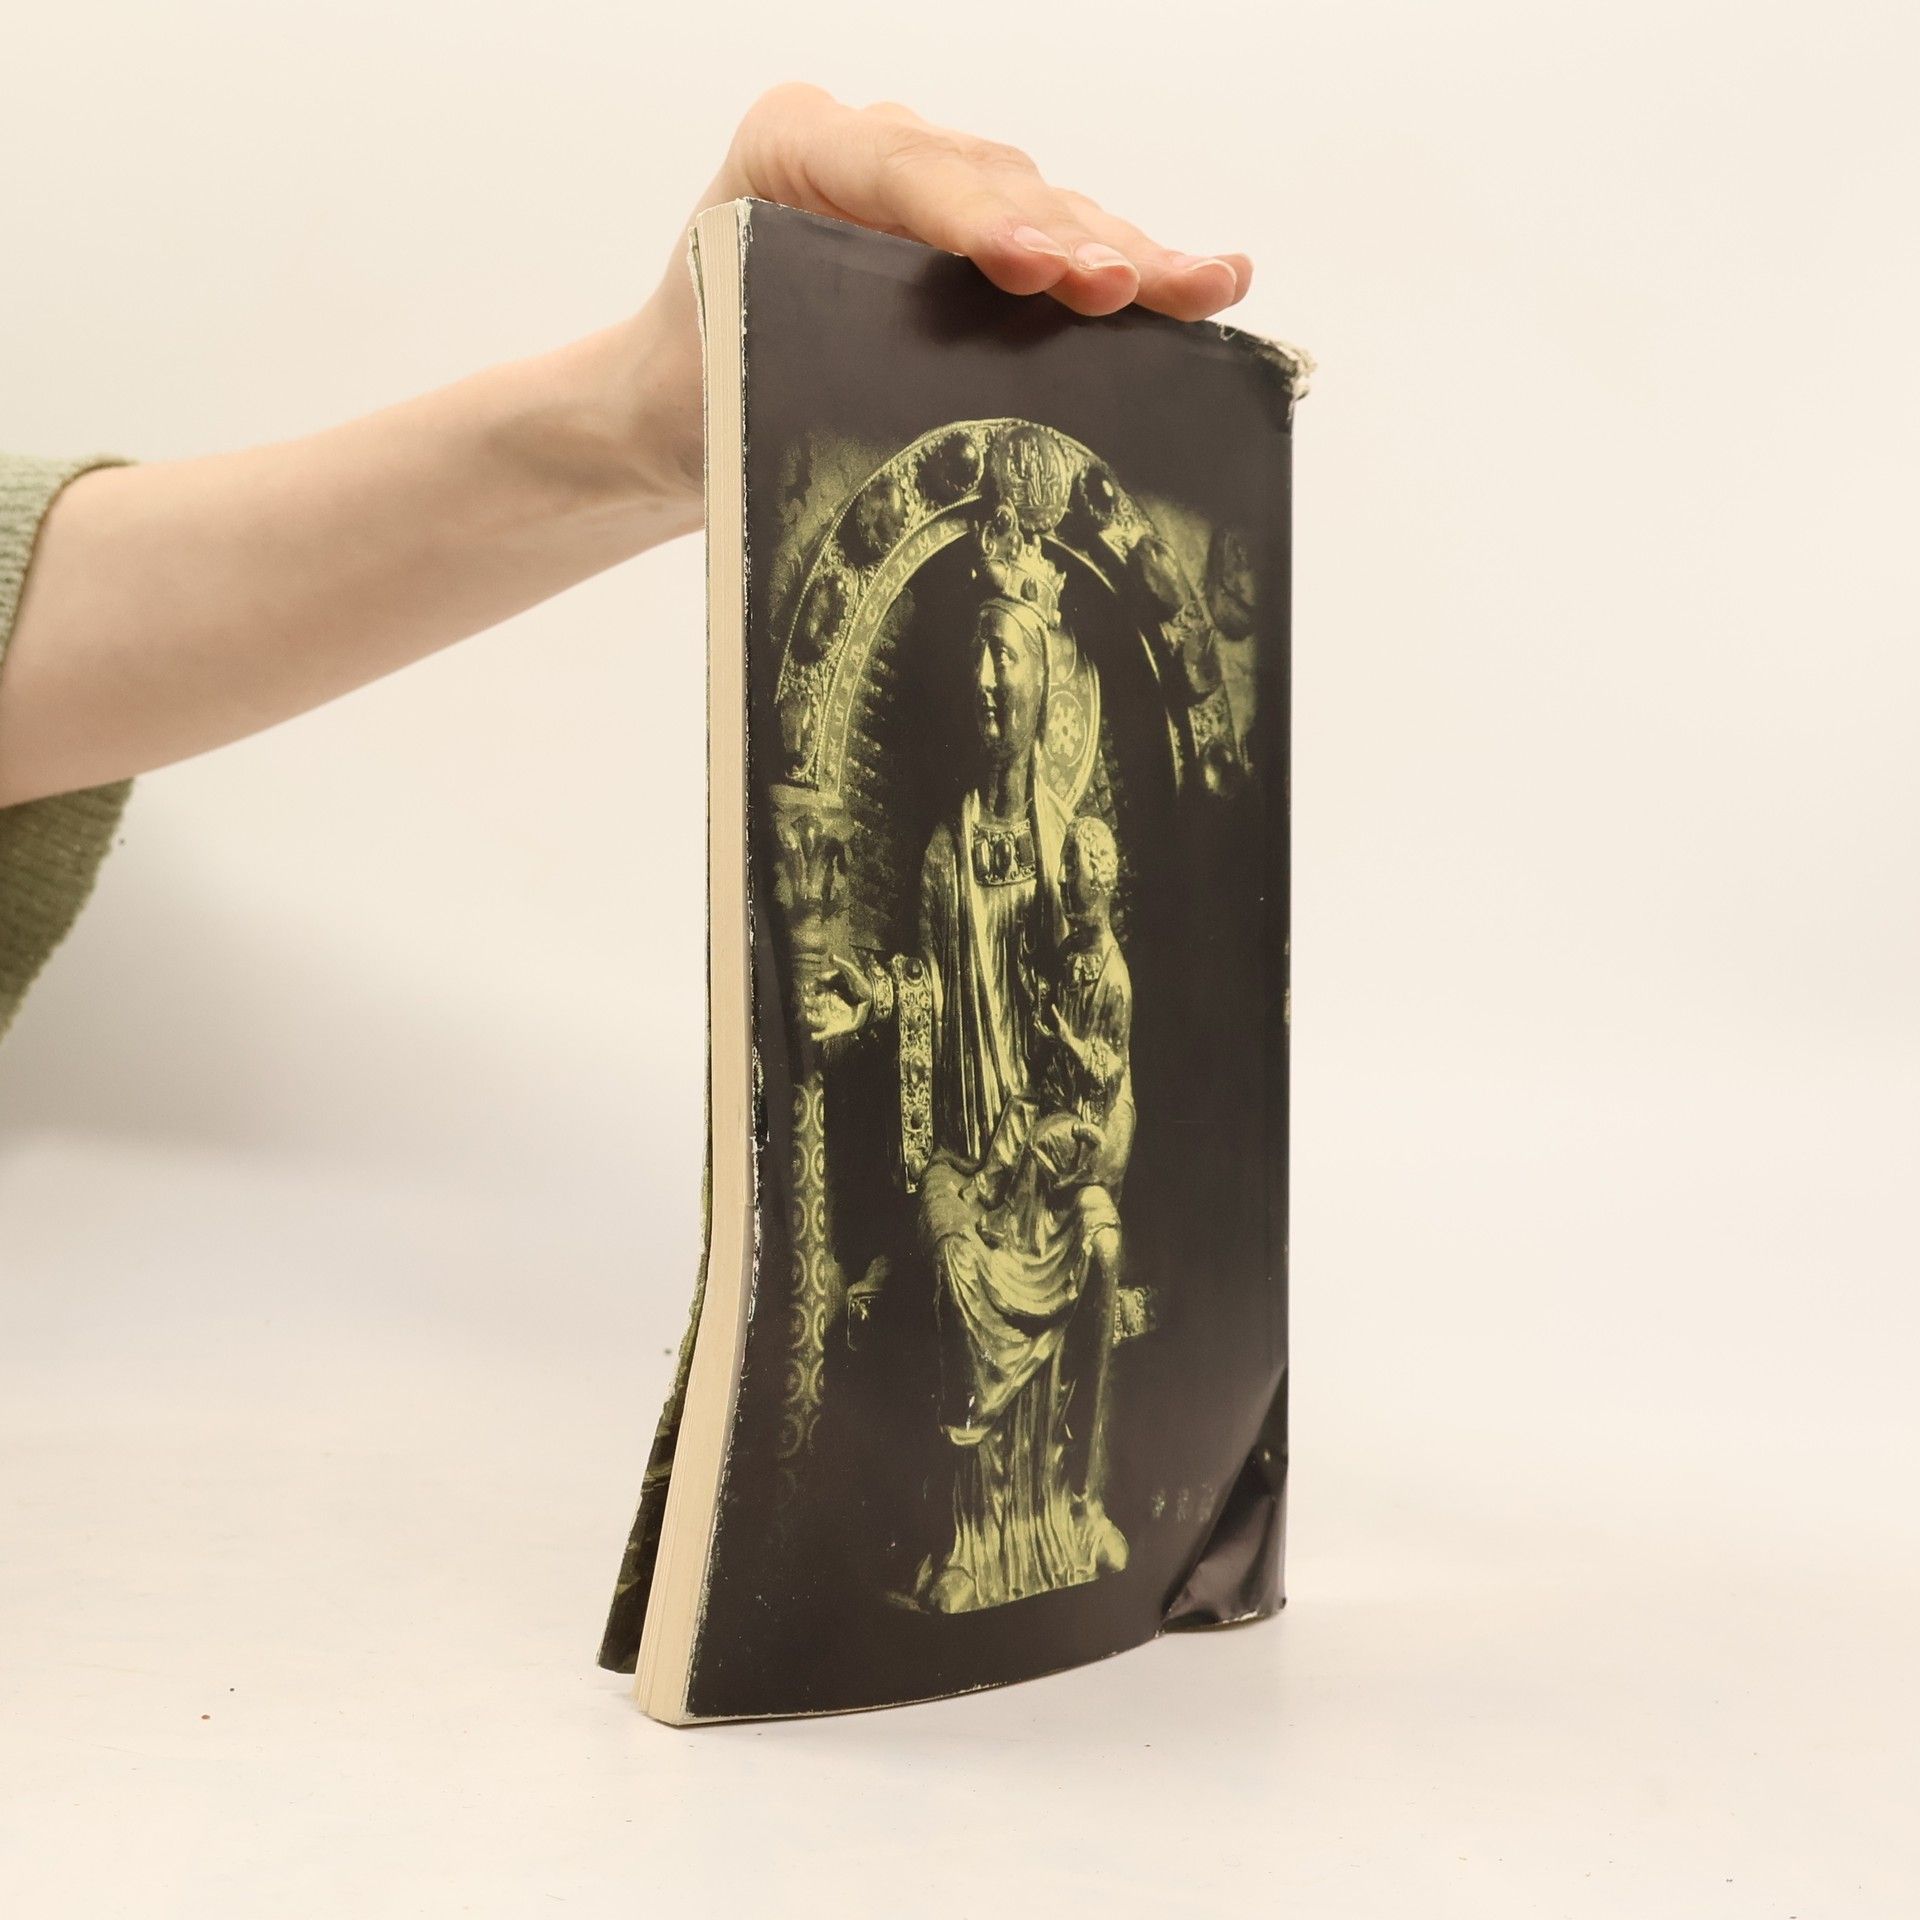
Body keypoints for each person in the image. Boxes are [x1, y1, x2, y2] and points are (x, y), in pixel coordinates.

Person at [0, 83, 1252, 1040]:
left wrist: (655, 415)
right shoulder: (945, 859)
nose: (985, 690)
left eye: (1008, 670)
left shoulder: (1076, 857)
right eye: (980, 663)